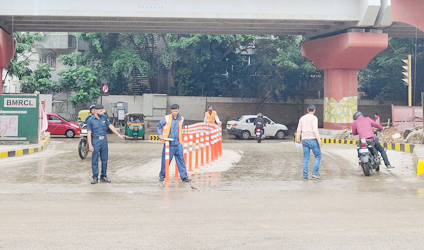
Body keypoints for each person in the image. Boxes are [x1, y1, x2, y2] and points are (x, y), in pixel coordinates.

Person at [87, 104, 127, 184]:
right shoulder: (90, 120)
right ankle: (95, 177)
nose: (102, 112)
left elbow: (110, 126)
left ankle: (103, 176)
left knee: (104, 159)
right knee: (95, 160)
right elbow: (89, 133)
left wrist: (118, 134)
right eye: (100, 111)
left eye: (102, 110)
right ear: (95, 111)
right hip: (95, 141)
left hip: (104, 141)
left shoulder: (104, 117)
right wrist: (90, 145)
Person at [156, 104, 191, 182]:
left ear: (178, 110)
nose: (175, 112)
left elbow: (182, 129)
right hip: (169, 143)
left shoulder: (181, 119)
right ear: (171, 110)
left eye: (176, 111)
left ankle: (184, 176)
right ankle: (162, 176)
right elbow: (158, 126)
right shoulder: (166, 118)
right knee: (165, 161)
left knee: (181, 160)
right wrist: (160, 135)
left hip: (178, 143)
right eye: (174, 111)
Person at [296, 105, 322, 180]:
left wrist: (298, 139)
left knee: (306, 158)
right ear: (314, 110)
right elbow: (315, 130)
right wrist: (319, 140)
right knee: (318, 156)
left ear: (307, 110)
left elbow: (298, 129)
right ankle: (314, 173)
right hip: (313, 139)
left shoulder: (302, 118)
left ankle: (305, 175)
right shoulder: (314, 118)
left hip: (304, 139)